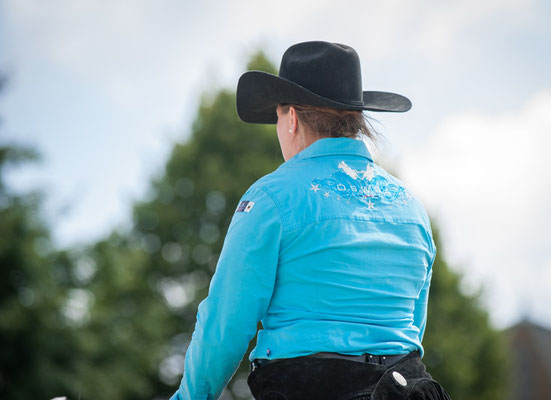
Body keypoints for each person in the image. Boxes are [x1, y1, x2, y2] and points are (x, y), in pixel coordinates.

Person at [170, 41, 451, 400]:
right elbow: (411, 328)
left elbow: (224, 325)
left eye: (277, 117)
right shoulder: (412, 209)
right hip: (408, 389)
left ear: (290, 119)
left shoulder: (270, 198)